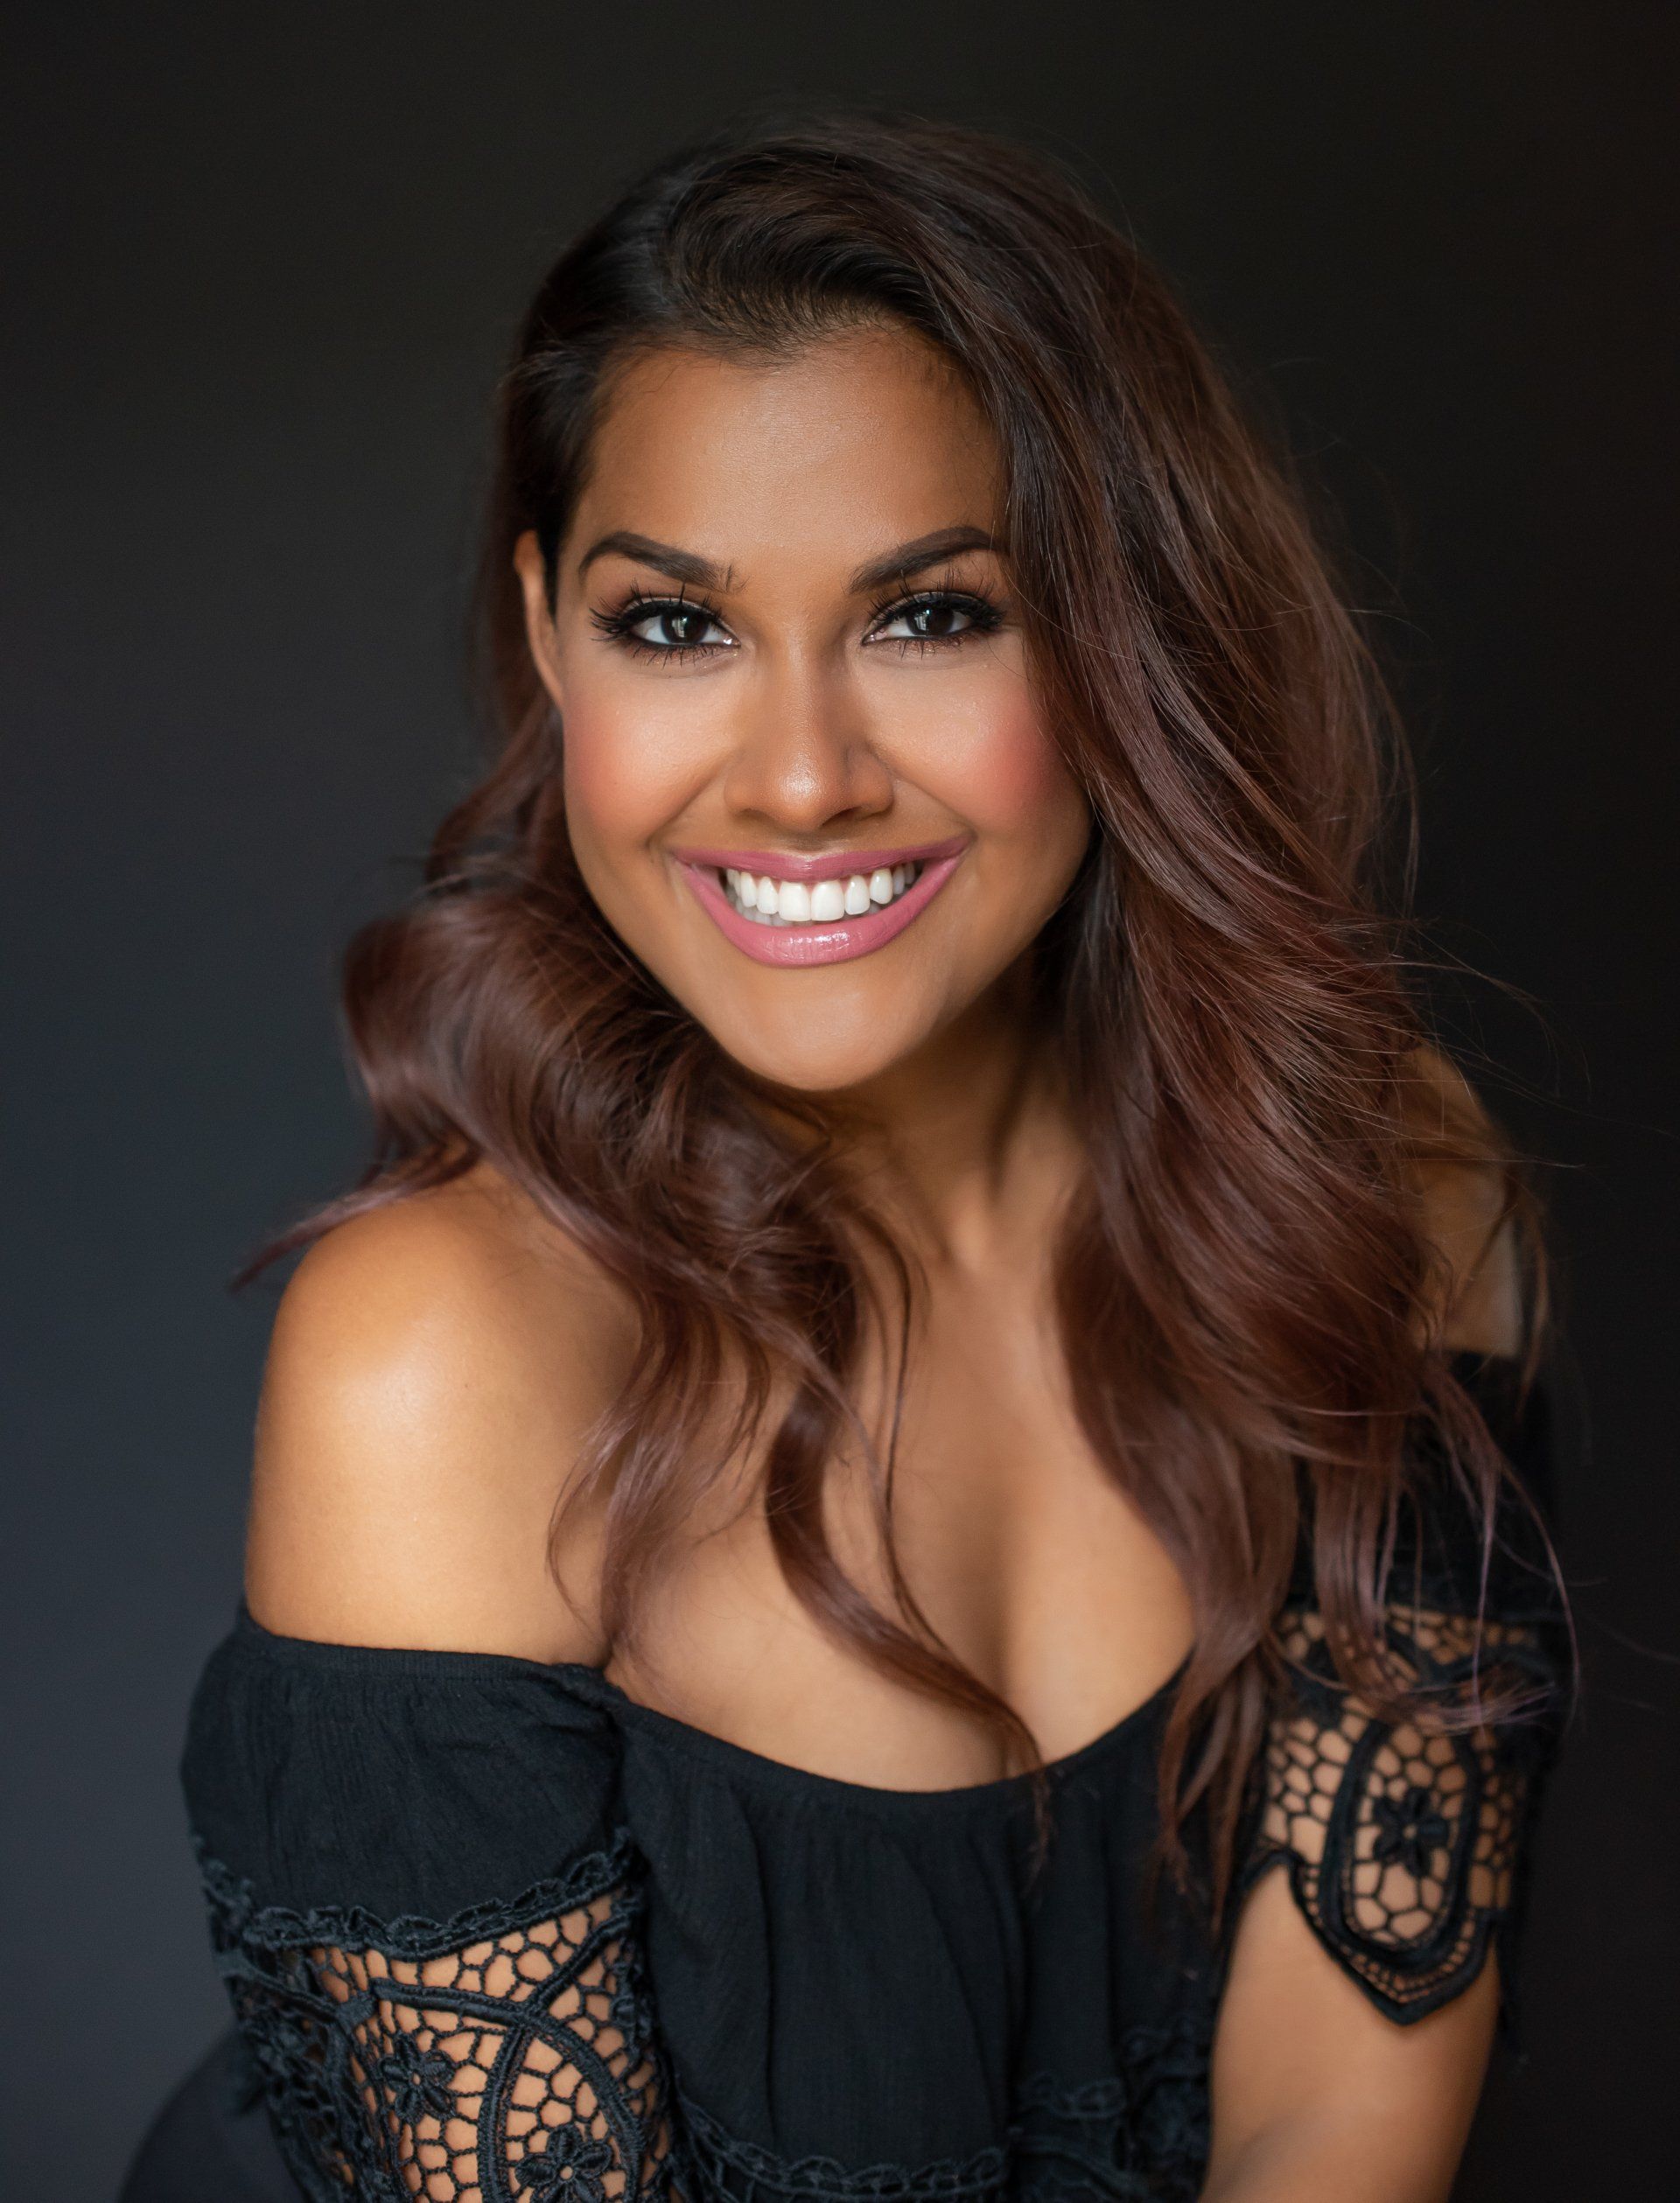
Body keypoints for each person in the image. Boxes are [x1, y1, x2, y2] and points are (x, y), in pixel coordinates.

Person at [122, 112, 1570, 2203]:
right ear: (547, 635)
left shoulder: (1388, 1188)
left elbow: (1339, 2118)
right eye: (679, 628)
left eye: (931, 615)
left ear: (1118, 631)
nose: (799, 778)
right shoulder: (440, 1358)